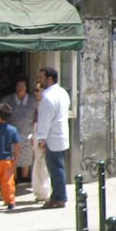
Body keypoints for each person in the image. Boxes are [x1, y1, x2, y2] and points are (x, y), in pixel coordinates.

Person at [34, 66, 71, 208]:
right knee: (58, 167)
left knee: (55, 168)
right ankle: (58, 195)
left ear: (49, 78)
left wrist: (41, 138)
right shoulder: (62, 93)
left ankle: (59, 198)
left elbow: (45, 119)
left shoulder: (48, 98)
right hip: (61, 135)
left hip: (52, 137)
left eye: (41, 77)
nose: (39, 80)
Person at [2, 79, 36, 185]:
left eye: (23, 85)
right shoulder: (8, 99)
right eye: (18, 85)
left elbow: (38, 115)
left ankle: (25, 178)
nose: (20, 88)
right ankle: (14, 180)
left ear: (26, 87)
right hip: (12, 133)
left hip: (28, 133)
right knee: (13, 158)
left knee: (27, 158)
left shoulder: (33, 100)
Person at [30, 83, 51, 203]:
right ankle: (39, 191)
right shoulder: (37, 105)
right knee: (38, 164)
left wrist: (43, 139)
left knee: (44, 166)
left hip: (43, 138)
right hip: (36, 136)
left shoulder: (46, 104)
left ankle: (45, 192)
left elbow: (45, 124)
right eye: (35, 90)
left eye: (38, 90)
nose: (36, 93)